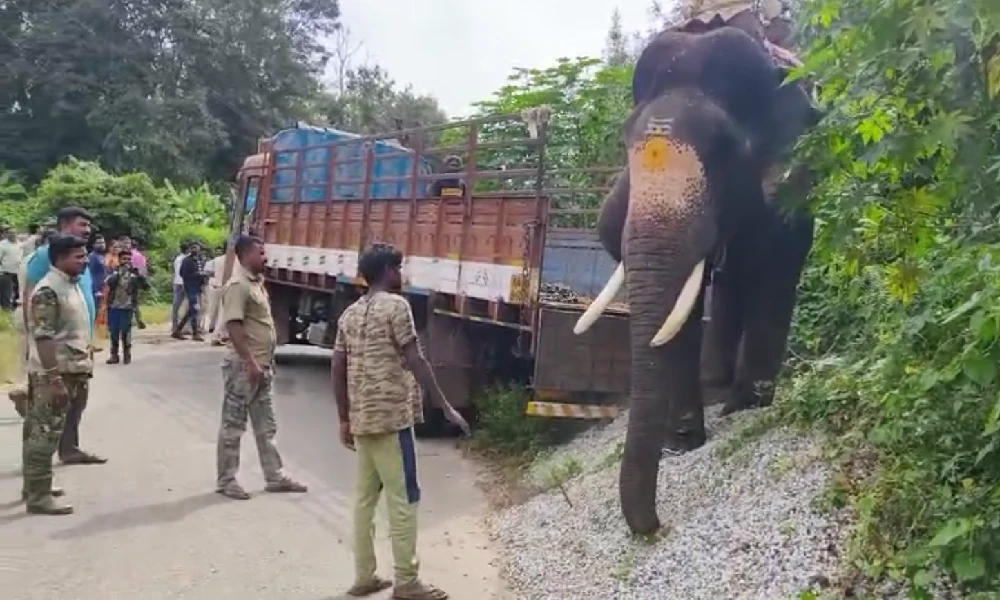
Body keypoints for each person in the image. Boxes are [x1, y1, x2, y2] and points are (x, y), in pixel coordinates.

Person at [332, 242, 470, 600]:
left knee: (364, 499)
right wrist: (445, 406)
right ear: (388, 272)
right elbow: (416, 360)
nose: (402, 273)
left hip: (363, 419)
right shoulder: (397, 307)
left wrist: (344, 418)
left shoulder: (349, 314)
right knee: (404, 497)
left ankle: (364, 576)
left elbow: (337, 367)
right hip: (393, 419)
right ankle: (407, 582)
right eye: (399, 267)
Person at [215, 234, 306, 500]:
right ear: (244, 256)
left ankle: (274, 477)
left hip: (262, 367)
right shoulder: (238, 286)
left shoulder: (257, 284)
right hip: (244, 368)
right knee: (233, 426)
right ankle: (226, 480)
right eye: (260, 253)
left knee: (266, 426)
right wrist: (249, 361)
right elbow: (234, 325)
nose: (265, 257)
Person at [23, 207, 105, 466]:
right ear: (66, 224)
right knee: (46, 418)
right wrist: (35, 343)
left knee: (75, 406)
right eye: (83, 224)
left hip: (77, 347)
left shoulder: (79, 261)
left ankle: (69, 449)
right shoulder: (43, 259)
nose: (88, 229)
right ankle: (37, 482)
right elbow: (30, 297)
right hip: (53, 351)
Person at [22, 234, 92, 515]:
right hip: (54, 373)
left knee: (47, 432)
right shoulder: (48, 291)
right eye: (79, 256)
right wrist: (54, 379)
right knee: (44, 434)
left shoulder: (69, 286)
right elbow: (44, 337)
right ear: (60, 258)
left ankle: (36, 486)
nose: (84, 260)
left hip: (71, 370)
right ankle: (38, 497)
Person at [105, 249, 148, 365]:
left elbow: (146, 286)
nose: (127, 261)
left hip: (127, 307)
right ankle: (114, 355)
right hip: (114, 306)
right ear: (119, 260)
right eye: (124, 259)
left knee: (125, 332)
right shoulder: (114, 272)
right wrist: (118, 273)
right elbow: (109, 283)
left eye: (129, 259)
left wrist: (138, 275)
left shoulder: (134, 274)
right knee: (113, 332)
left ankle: (127, 354)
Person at [173, 242, 205, 341]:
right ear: (190, 249)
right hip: (190, 286)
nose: (195, 250)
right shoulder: (187, 260)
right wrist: (198, 274)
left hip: (197, 287)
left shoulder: (198, 260)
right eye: (193, 248)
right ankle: (194, 333)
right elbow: (182, 273)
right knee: (194, 309)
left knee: (192, 310)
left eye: (197, 248)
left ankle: (178, 329)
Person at [202, 242, 230, 344]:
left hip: (215, 286)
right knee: (222, 311)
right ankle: (219, 333)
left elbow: (209, 273)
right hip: (226, 286)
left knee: (212, 309)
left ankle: (210, 327)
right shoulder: (234, 260)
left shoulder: (216, 260)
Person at [0, 227, 22, 309]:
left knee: (17, 291)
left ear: (17, 234)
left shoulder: (20, 244)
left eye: (14, 233)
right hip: (5, 272)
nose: (12, 234)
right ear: (7, 234)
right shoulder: (2, 244)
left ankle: (14, 307)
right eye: (10, 233)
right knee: (6, 292)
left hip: (17, 271)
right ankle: (5, 308)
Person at [87, 234, 107, 325]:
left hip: (103, 286)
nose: (102, 244)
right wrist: (95, 290)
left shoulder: (102, 257)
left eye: (103, 242)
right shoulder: (92, 257)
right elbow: (91, 273)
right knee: (95, 310)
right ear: (93, 245)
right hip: (96, 287)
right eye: (98, 243)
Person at [129, 239, 148, 329]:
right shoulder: (140, 256)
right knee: (135, 301)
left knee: (128, 300)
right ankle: (138, 319)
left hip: (129, 279)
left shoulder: (129, 255)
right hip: (138, 280)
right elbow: (143, 269)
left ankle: (131, 320)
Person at [171, 242, 188, 332]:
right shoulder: (187, 259)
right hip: (184, 283)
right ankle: (185, 326)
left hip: (177, 282)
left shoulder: (177, 259)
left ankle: (174, 325)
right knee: (191, 306)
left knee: (176, 306)